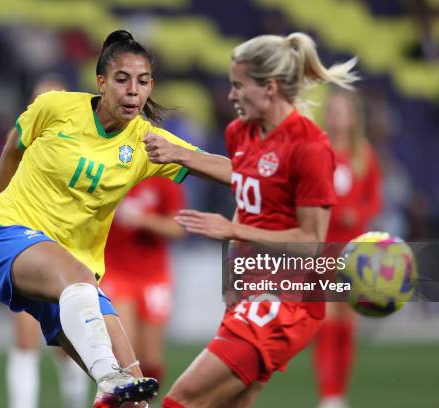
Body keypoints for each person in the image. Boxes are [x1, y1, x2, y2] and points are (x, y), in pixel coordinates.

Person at [0, 29, 207, 407]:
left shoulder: (145, 144)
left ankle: (105, 388)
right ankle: (101, 378)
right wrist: (3, 211)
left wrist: (268, 177)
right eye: (122, 79)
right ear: (101, 82)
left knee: (136, 392)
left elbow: (203, 169)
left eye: (143, 81)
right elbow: (12, 148)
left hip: (80, 266)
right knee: (41, 329)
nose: (133, 90)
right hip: (14, 240)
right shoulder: (53, 113)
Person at [142, 32, 358, 407]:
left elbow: (310, 242)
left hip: (287, 299)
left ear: (270, 88)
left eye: (238, 86)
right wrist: (181, 154)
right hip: (249, 288)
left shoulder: (310, 147)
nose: (231, 96)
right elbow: (246, 172)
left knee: (181, 401)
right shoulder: (240, 131)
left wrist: (231, 229)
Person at [6, 74, 91, 408]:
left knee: (67, 341)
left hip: (67, 251)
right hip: (25, 246)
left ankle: (74, 401)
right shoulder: (18, 143)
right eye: (39, 98)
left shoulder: (81, 146)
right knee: (25, 337)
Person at [313, 90, 382, 408]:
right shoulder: (318, 151)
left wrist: (360, 215)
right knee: (327, 324)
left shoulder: (363, 154)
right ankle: (329, 396)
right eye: (333, 111)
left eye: (343, 112)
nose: (337, 117)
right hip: (324, 249)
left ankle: (340, 392)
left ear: (353, 118)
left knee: (347, 326)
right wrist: (339, 212)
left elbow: (374, 200)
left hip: (354, 252)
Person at [101, 176, 186, 385]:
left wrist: (142, 220)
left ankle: (148, 400)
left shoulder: (163, 180)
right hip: (115, 271)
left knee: (150, 358)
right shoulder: (108, 174)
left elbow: (178, 228)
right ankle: (129, 400)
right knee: (126, 350)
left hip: (153, 275)